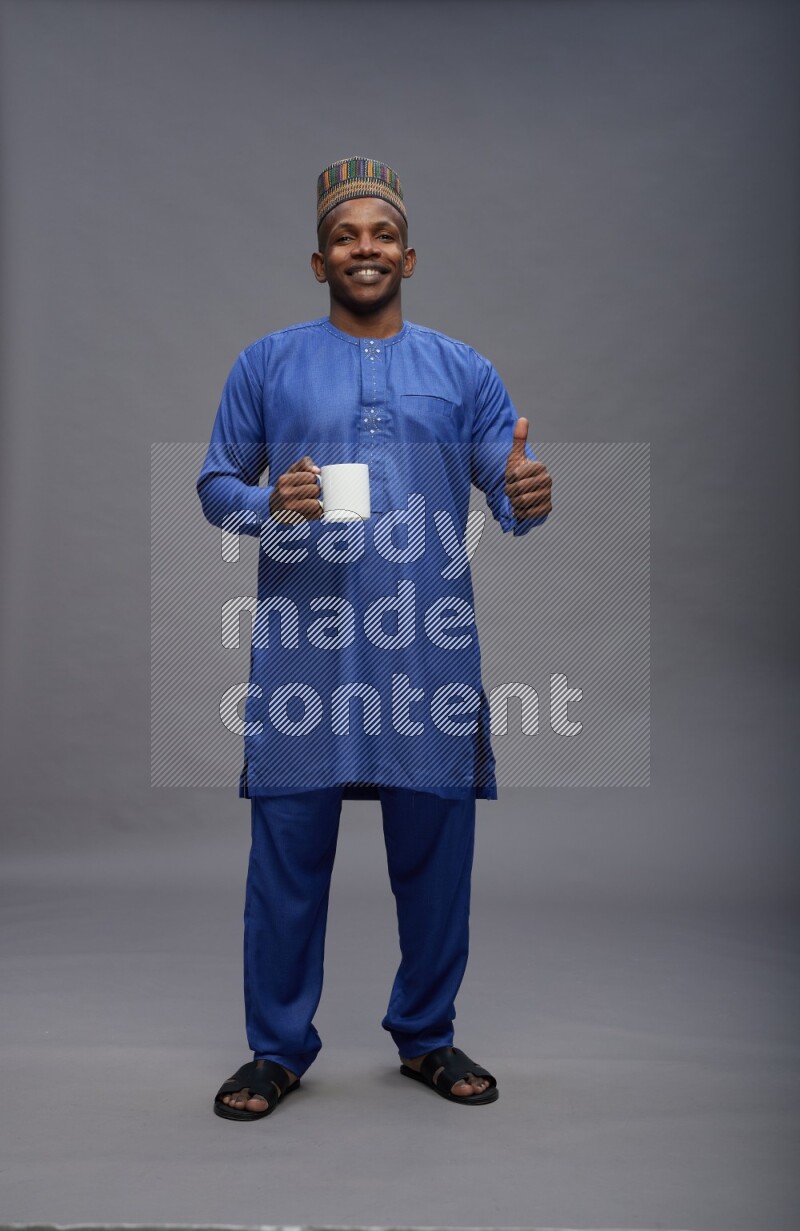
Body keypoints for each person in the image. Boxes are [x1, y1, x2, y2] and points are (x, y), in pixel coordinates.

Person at [197, 157, 552, 1120]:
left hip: (425, 652)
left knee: (437, 857)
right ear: (320, 261)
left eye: (383, 235)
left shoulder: (462, 369)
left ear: (409, 255)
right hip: (307, 655)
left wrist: (525, 494)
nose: (367, 248)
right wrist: (270, 500)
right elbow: (215, 484)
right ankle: (276, 1048)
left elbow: (504, 485)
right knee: (286, 858)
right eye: (348, 236)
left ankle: (427, 1037)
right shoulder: (267, 363)